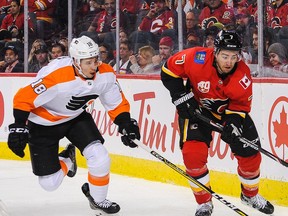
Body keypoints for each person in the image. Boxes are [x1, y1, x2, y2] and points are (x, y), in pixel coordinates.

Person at [7, 35, 140, 215]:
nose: (94, 66)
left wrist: (125, 123)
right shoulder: (56, 76)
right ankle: (68, 159)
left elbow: (116, 103)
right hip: (43, 123)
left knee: (100, 157)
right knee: (49, 184)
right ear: (76, 62)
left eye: (96, 60)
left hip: (75, 117)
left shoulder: (105, 74)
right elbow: (23, 98)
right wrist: (18, 127)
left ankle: (98, 200)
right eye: (88, 62)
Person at [160, 30, 274, 216]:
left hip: (227, 113)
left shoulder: (242, 75)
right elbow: (167, 71)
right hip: (197, 110)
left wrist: (233, 124)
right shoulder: (196, 58)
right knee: (192, 155)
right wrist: (180, 97)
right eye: (225, 56)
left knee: (250, 153)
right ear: (215, 52)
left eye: (233, 56)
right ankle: (204, 203)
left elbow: (239, 106)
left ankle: (250, 195)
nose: (229, 61)